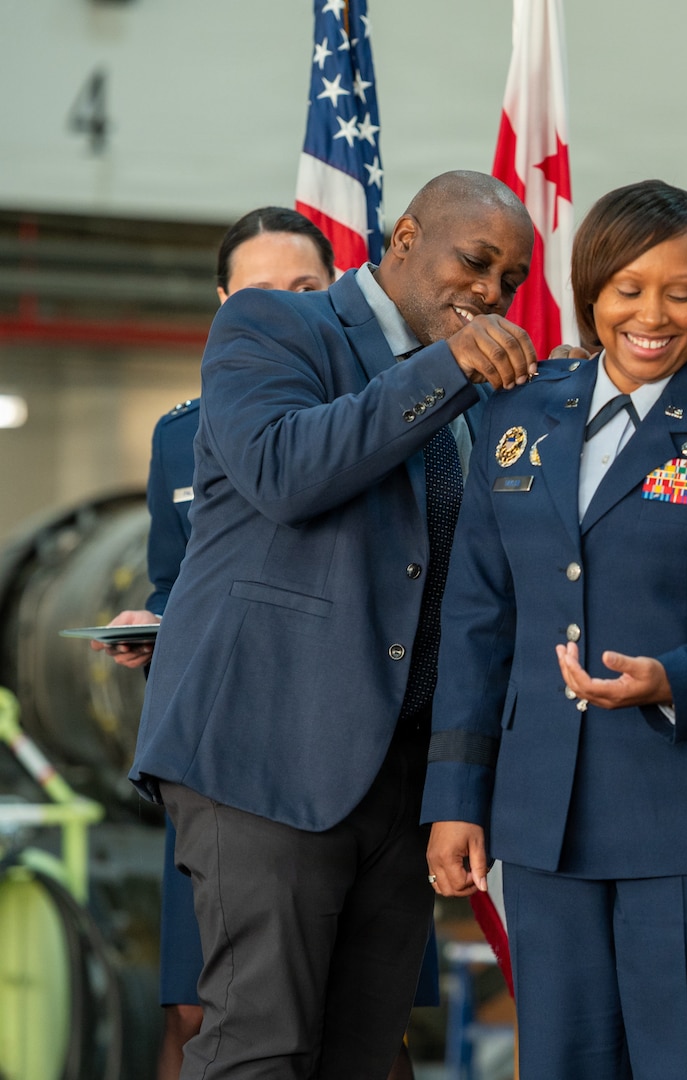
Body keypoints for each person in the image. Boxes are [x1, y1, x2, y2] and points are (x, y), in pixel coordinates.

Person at [127, 170, 539, 1080]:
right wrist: (448, 368)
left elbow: (474, 590)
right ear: (404, 236)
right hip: (264, 755)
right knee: (259, 1049)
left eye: (508, 283)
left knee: (362, 1058)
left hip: (400, 782)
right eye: (475, 262)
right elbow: (286, 472)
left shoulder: (477, 395)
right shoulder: (275, 325)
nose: (489, 294)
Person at [422, 179, 687, 1080]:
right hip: (543, 823)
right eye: (628, 290)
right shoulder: (516, 413)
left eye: (681, 294)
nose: (652, 315)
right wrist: (456, 794)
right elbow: (478, 617)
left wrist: (673, 677)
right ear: (591, 292)